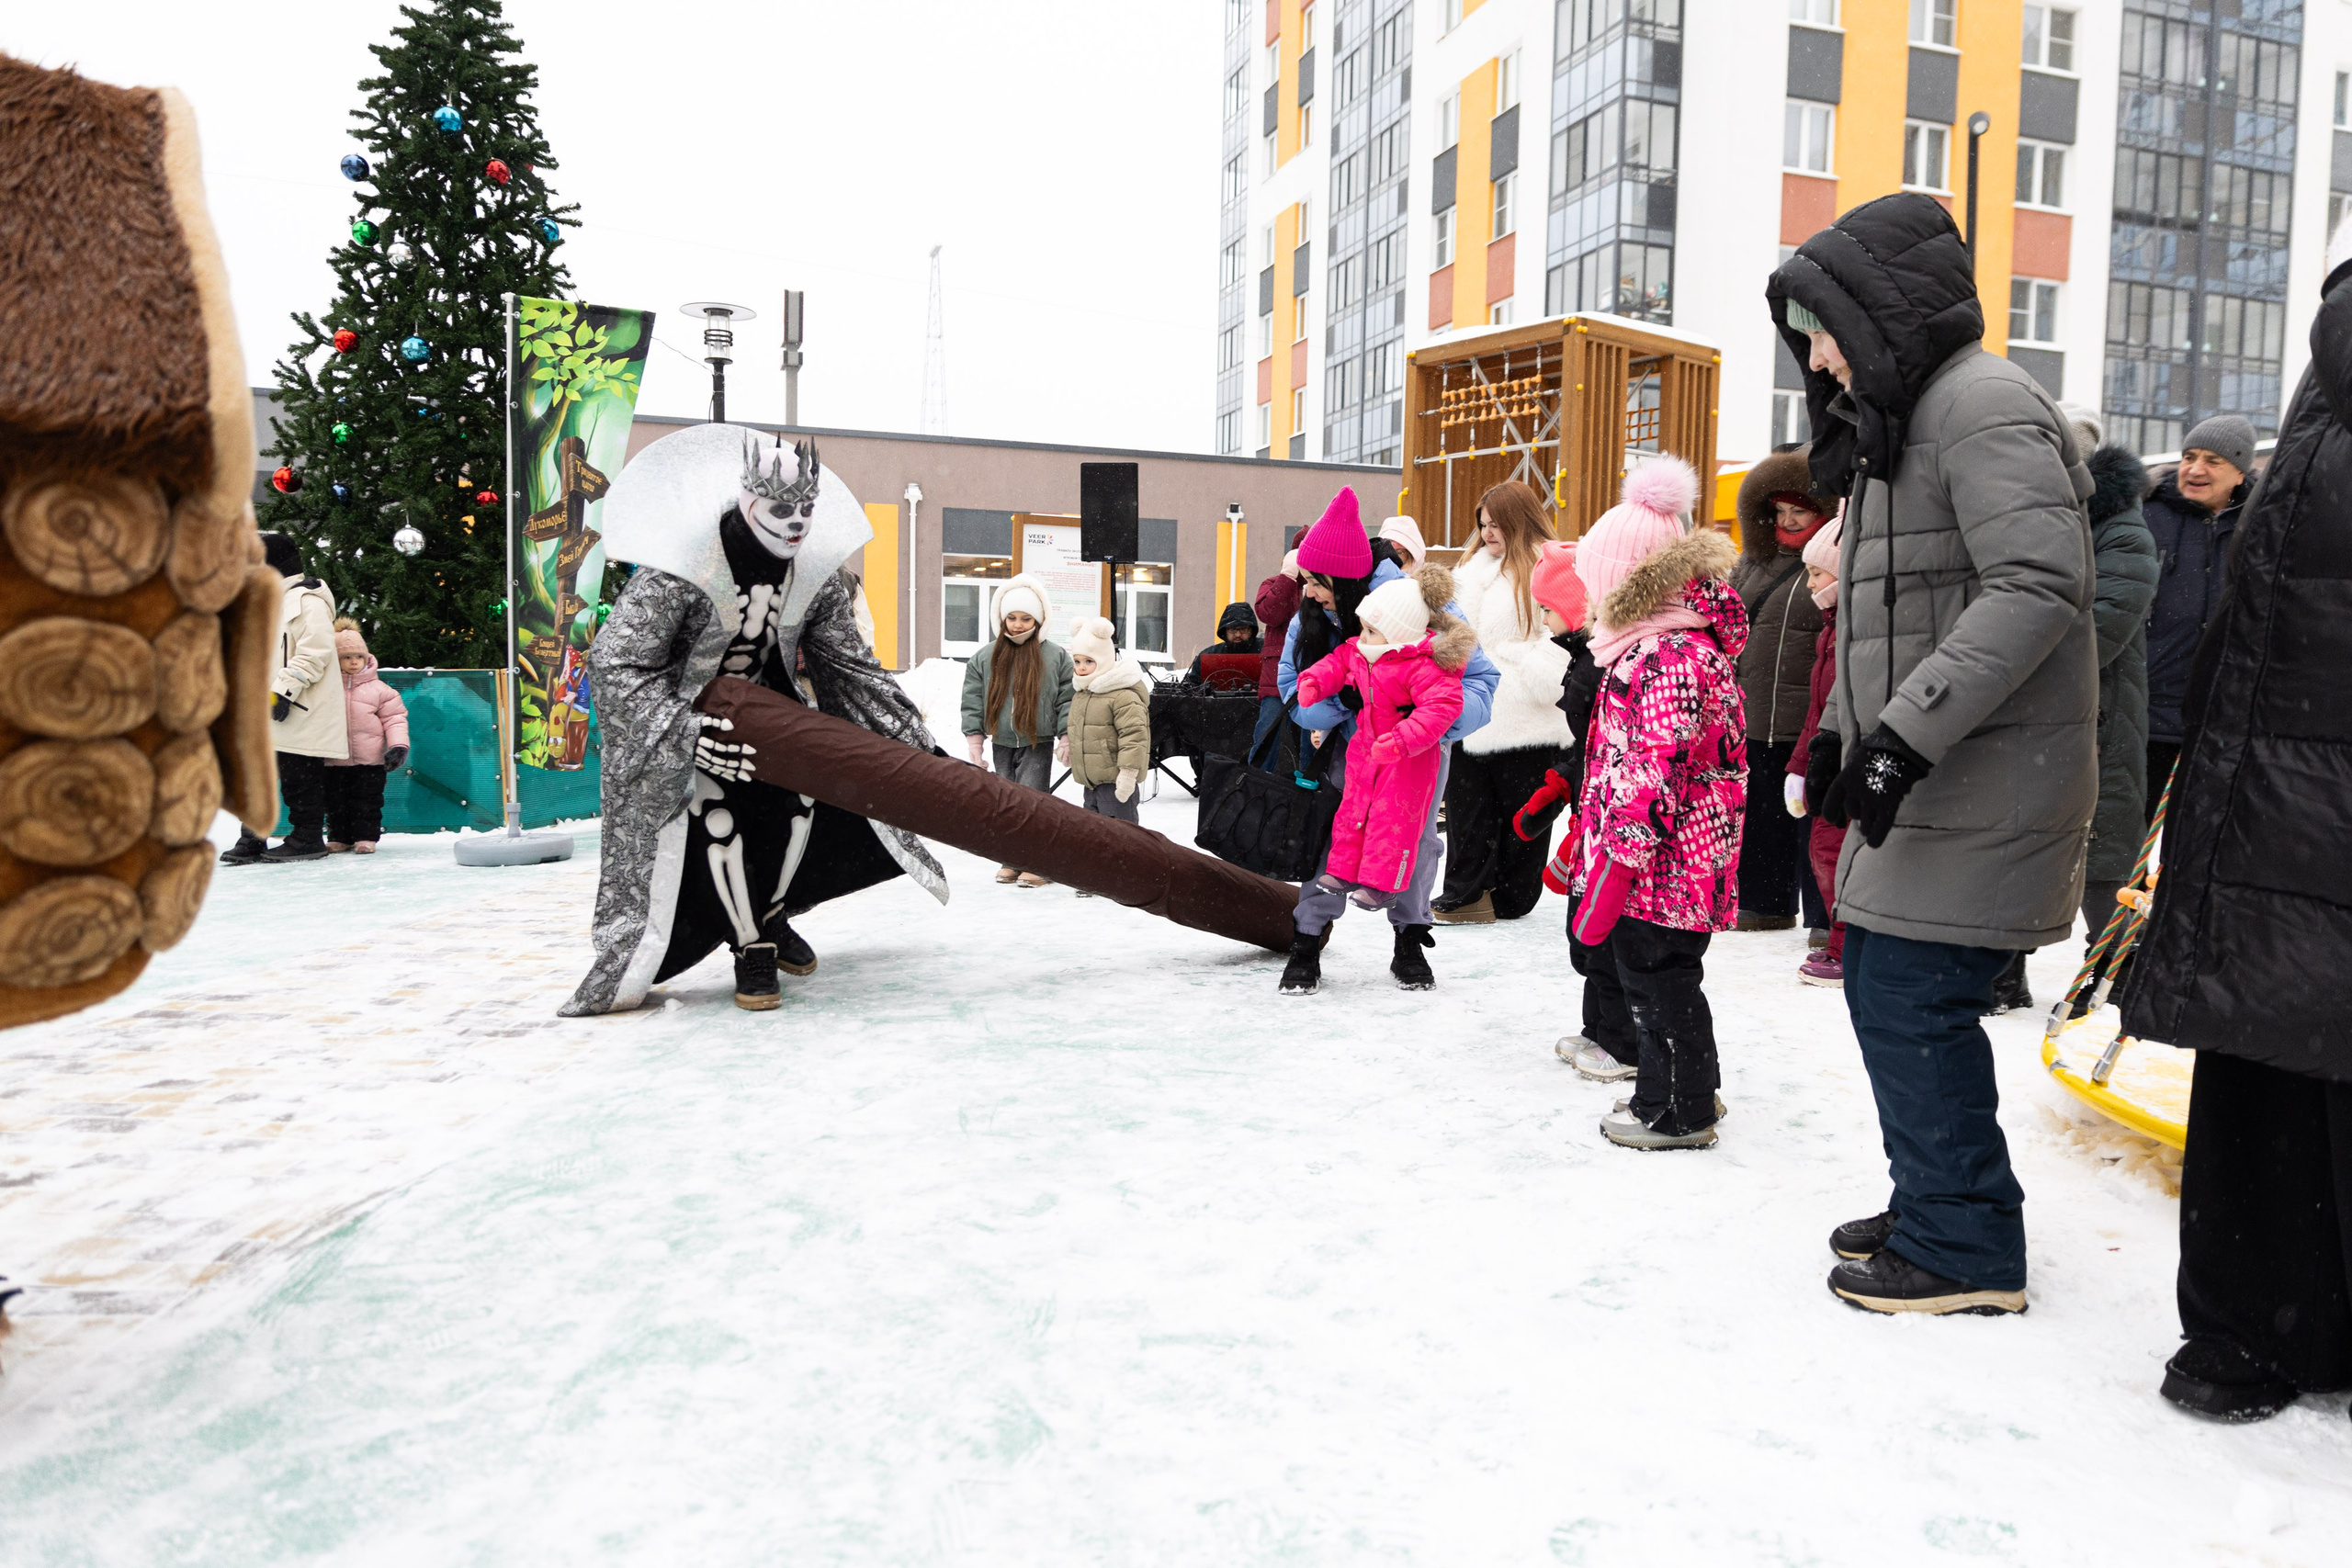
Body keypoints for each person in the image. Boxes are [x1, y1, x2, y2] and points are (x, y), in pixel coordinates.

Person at [1772, 192, 2097, 1315]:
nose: (1816, 357)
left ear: (1877, 315)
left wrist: (1902, 737)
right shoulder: (1901, 426)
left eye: (1822, 329)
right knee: (1880, 983)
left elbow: (2037, 585)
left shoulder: (1980, 405)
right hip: (1933, 774)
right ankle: (1938, 1199)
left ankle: (1964, 1243)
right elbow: (1884, 616)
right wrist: (1838, 735)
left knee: (1913, 997)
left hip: (1986, 772)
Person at [2123, 220, 2352, 1423]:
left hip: (2271, 790)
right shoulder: (2319, 404)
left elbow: (2247, 613)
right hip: (2279, 784)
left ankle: (2252, 1328)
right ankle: (2267, 1325)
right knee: (2294, 1058)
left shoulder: (2319, 411)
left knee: (2271, 1054)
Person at [561, 428, 950, 1017]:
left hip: (777, 721)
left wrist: (916, 744)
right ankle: (751, 947)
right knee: (716, 815)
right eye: (781, 510)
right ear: (748, 504)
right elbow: (617, 661)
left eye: (806, 511)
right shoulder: (680, 569)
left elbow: (853, 668)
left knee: (804, 804)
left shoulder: (815, 575)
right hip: (692, 725)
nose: (796, 525)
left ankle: (769, 915)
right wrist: (681, 731)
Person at [1555, 457, 1746, 1150]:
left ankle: (1677, 1112)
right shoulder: (1650, 648)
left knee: (1660, 982)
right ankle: (1685, 1091)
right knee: (1660, 981)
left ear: (1627, 582)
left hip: (1668, 864)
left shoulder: (1669, 657)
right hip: (1663, 860)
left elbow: (1651, 774)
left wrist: (1617, 862)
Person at [1276, 487, 1498, 991]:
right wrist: (1343, 705)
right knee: (1333, 833)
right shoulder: (1311, 615)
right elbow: (1294, 686)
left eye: (1316, 582)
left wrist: (1425, 723)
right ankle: (1307, 938)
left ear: (1345, 577)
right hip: (1347, 747)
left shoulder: (1419, 605)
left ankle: (1410, 939)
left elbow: (1480, 681)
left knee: (1413, 839)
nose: (1308, 593)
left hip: (1418, 752)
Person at [1284, 568, 1467, 964]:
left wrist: (1402, 739)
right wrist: (1314, 683)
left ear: (1399, 633)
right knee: (1351, 813)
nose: (1360, 636)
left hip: (1408, 760)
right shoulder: (1363, 651)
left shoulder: (1424, 664)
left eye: (1370, 631)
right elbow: (1335, 663)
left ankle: (1383, 886)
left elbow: (1443, 706)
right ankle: (1343, 872)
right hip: (1365, 750)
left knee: (1392, 822)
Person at [1434, 480, 1577, 925]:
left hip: (1525, 713)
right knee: (1467, 810)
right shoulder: (1470, 571)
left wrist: (1523, 667)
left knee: (1521, 815)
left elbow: (1564, 635)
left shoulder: (1546, 567)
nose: (1488, 533)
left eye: (1496, 524)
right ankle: (1465, 892)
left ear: (1519, 520)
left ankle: (1513, 897)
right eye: (1483, 524)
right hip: (1472, 709)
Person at [1729, 447, 1835, 933]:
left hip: (1807, 715)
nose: (1788, 521)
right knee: (1759, 813)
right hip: (1753, 710)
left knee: (1810, 816)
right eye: (1781, 511)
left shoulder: (1833, 563)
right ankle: (1764, 902)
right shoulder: (1754, 561)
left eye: (1800, 511)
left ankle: (1823, 914)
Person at [2141, 413, 2253, 817]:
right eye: (2189, 457)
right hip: (2147, 715)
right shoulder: (2146, 513)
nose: (2195, 469)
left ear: (2239, 473)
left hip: (2221, 720)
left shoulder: (2259, 524)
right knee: (2130, 834)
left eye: (2212, 461)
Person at [220, 532, 349, 865]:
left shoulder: (306, 601)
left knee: (298, 777)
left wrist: (284, 691)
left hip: (297, 706)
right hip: (264, 706)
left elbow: (316, 651)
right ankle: (252, 836)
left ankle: (307, 837)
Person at [960, 572, 1074, 887]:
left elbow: (1067, 699)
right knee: (1007, 803)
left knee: (1032, 802)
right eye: (1011, 618)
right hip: (1002, 741)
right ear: (1002, 618)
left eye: (1026, 618)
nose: (1018, 625)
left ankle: (1039, 863)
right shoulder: (985, 656)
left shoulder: (1055, 656)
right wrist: (975, 743)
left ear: (1039, 619)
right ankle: (1012, 859)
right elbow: (972, 700)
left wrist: (1066, 737)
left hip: (1038, 740)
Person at [1783, 516, 1847, 987]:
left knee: (1836, 851)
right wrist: (1799, 767)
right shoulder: (1831, 628)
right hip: (1826, 757)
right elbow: (1817, 710)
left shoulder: (1849, 628)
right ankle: (1842, 943)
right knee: (1823, 848)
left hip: (1844, 762)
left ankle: (1847, 948)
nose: (1809, 584)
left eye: (1817, 573)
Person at [322, 619, 410, 854]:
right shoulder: (325, 689)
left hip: (370, 760)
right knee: (335, 801)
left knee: (368, 800)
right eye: (346, 657)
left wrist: (398, 746)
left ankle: (366, 837)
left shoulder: (381, 690)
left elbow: (395, 719)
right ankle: (339, 836)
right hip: (333, 758)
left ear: (367, 658)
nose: (354, 662)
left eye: (359, 657)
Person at [1064, 615, 1150, 852]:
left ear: (1103, 660)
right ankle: (1099, 869)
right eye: (1077, 661)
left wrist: (1129, 773)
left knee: (1122, 835)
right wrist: (1069, 748)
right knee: (1094, 835)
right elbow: (1081, 730)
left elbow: (1134, 737)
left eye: (1089, 661)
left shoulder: (1122, 695)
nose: (1081, 667)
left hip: (1116, 781)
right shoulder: (1083, 693)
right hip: (1092, 782)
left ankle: (1127, 869)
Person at [1250, 550, 1304, 767]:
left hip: (1309, 671)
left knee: (1312, 740)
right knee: (1267, 735)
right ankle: (1257, 780)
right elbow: (1269, 614)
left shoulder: (1324, 587)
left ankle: (1308, 784)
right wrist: (1288, 578)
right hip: (1278, 673)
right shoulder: (1274, 584)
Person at [1185, 601, 1261, 687]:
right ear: (1225, 631)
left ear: (1251, 631)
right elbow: (1192, 686)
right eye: (1232, 630)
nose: (1238, 634)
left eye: (1243, 629)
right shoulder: (1209, 656)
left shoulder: (1266, 652)